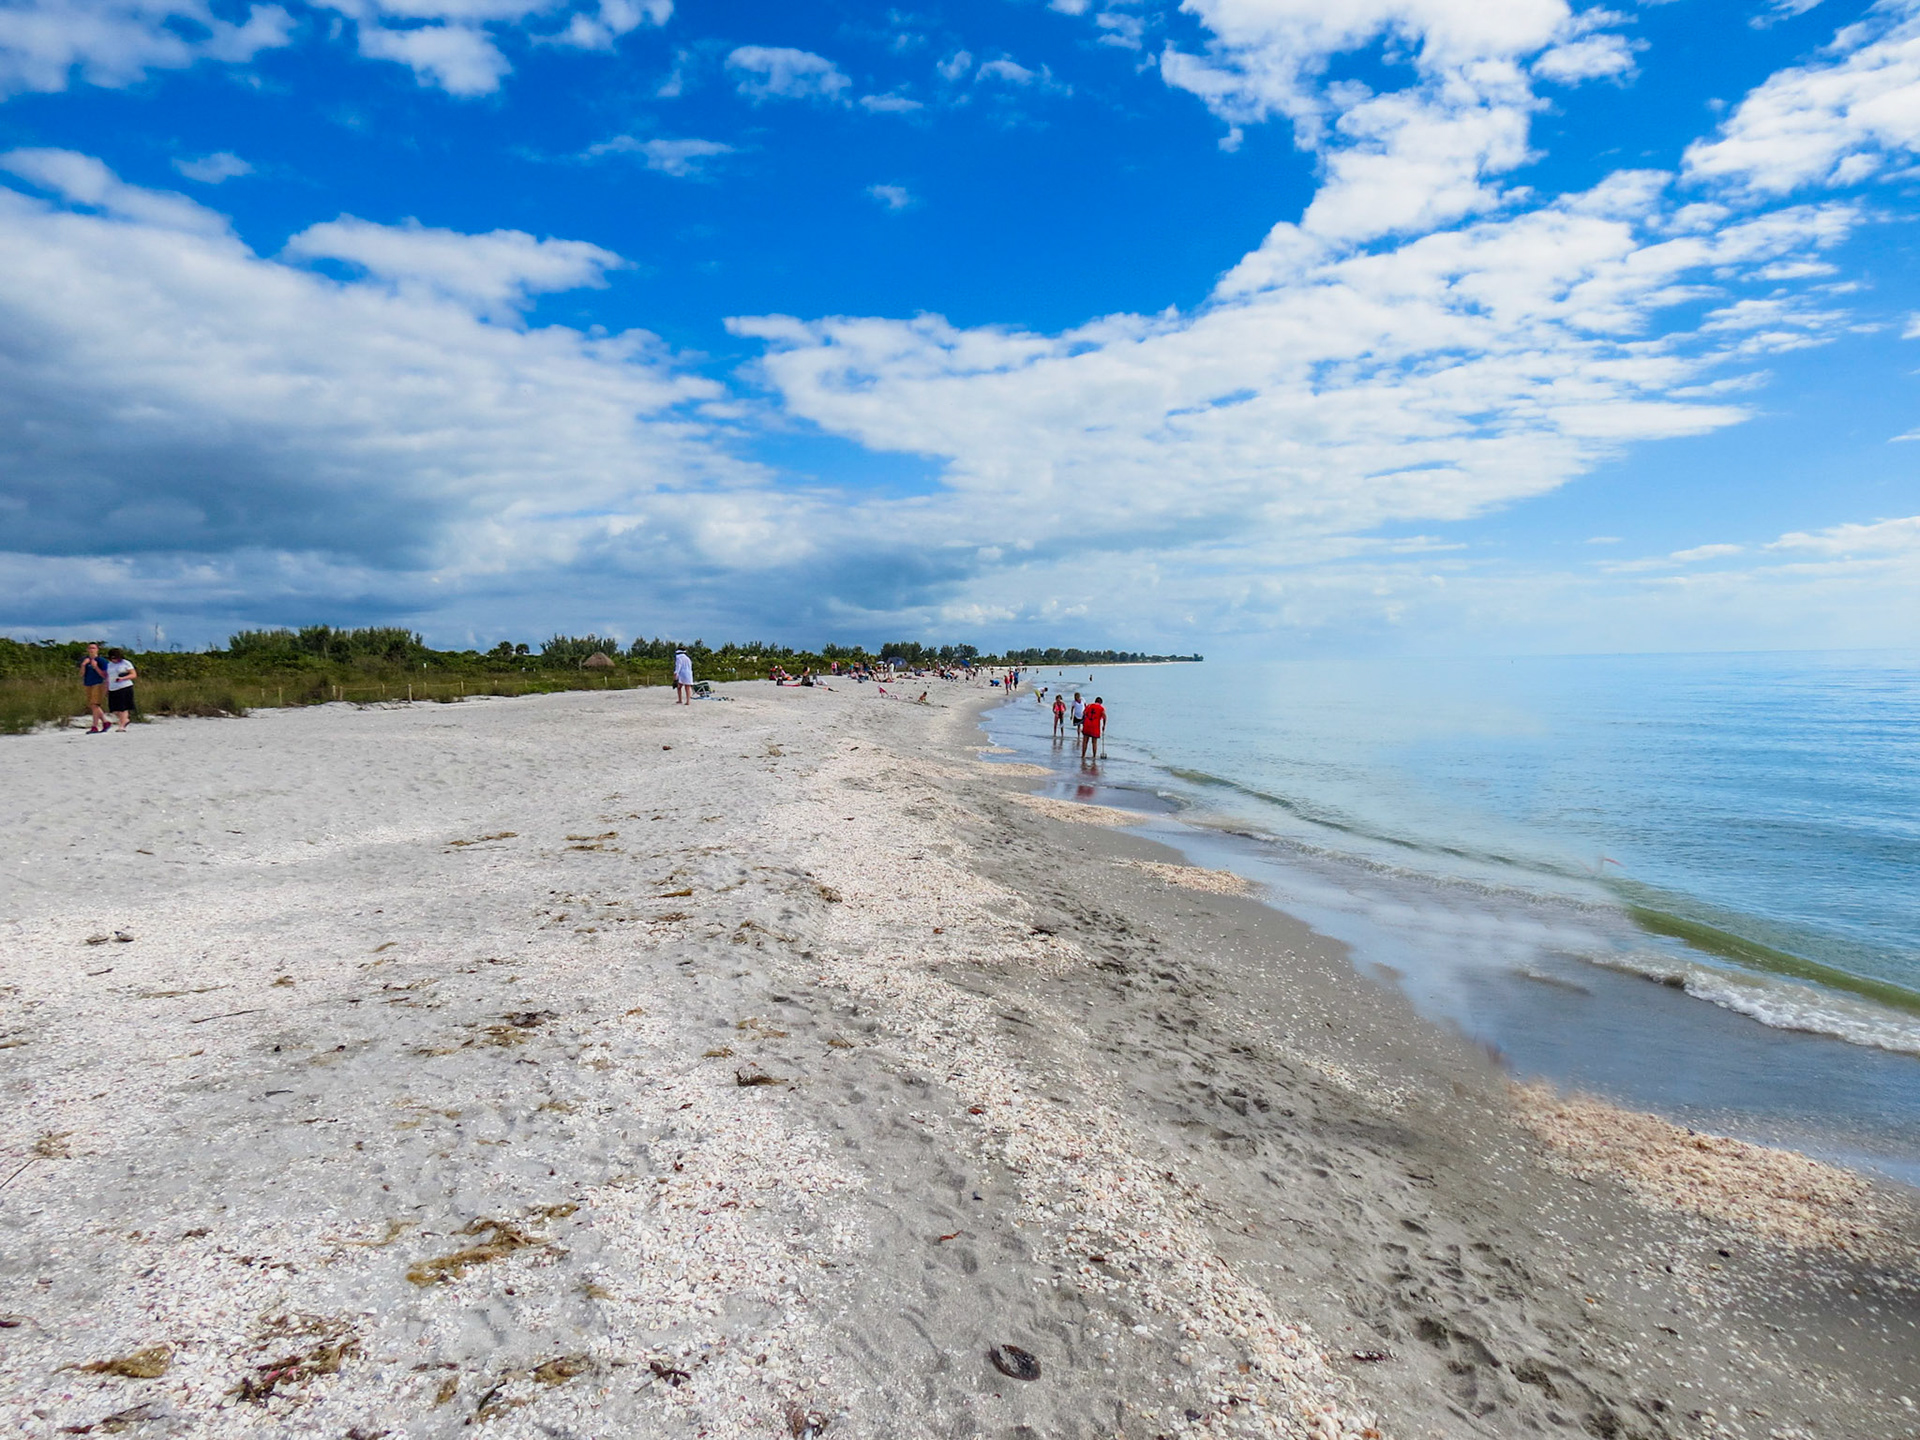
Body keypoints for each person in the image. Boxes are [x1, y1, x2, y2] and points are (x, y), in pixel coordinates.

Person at [104, 648, 138, 732]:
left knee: (123, 707)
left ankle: (122, 725)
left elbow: (133, 675)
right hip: (113, 687)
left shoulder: (126, 663)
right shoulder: (109, 665)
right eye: (113, 658)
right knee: (115, 708)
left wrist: (123, 678)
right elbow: (108, 677)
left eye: (116, 658)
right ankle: (125, 720)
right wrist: (106, 688)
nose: (115, 660)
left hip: (124, 686)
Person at [79, 642, 109, 733]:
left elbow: (105, 675)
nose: (91, 650)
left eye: (93, 648)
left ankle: (95, 726)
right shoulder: (85, 660)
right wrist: (83, 665)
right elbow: (81, 674)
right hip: (88, 683)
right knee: (92, 705)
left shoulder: (101, 660)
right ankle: (105, 722)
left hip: (99, 683)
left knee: (95, 704)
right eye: (90, 648)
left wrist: (95, 667)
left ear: (97, 649)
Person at [1079, 694, 1106, 762]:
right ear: (1100, 702)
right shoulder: (1101, 708)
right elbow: (1105, 716)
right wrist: (1104, 726)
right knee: (1094, 742)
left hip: (1087, 724)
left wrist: (1083, 724)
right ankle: (1094, 756)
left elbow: (1084, 713)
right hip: (1095, 725)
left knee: (1085, 741)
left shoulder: (1089, 705)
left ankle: (1083, 755)